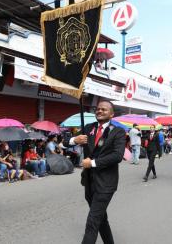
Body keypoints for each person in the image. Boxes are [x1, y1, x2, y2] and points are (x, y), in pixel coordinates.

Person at [67, 101, 125, 244]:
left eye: (104, 109)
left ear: (111, 114)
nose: (99, 111)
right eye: (98, 109)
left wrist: (92, 163)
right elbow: (63, 143)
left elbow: (117, 156)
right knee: (101, 219)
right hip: (89, 182)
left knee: (92, 222)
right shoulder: (88, 128)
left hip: (106, 184)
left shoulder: (118, 132)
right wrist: (75, 139)